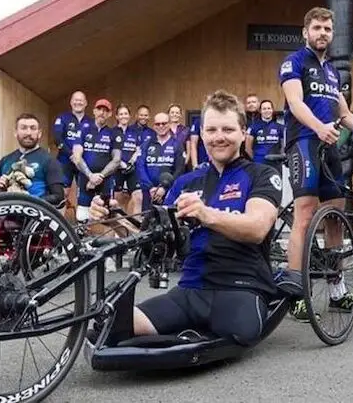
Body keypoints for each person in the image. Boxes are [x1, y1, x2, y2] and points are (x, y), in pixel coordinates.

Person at [89, 89, 282, 346]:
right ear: (201, 134)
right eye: (211, 130)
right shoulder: (185, 183)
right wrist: (114, 217)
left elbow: (257, 228)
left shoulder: (262, 175)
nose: (219, 137)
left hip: (241, 286)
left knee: (238, 331)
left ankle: (184, 335)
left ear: (243, 132)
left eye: (228, 129)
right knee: (107, 329)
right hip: (190, 290)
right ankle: (184, 334)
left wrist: (205, 214)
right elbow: (151, 239)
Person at [279, 6, 353, 321]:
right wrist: (318, 126)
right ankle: (297, 295)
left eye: (327, 29)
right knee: (304, 216)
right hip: (304, 141)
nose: (322, 33)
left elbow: (345, 116)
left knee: (335, 217)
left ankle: (337, 292)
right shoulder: (294, 61)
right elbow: (295, 102)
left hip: (330, 143)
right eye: (317, 27)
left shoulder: (332, 71)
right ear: (305, 31)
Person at [0, 113, 65, 208]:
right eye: (23, 128)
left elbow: (59, 198)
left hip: (35, 219)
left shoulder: (49, 161)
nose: (28, 132)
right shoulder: (5, 161)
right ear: (15, 132)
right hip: (5, 217)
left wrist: (28, 200)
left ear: (39, 134)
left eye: (33, 128)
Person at [71, 98, 122, 224]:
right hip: (85, 179)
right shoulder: (83, 129)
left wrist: (100, 177)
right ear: (94, 111)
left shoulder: (114, 133)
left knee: (105, 216)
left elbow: (116, 160)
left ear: (110, 114)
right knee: (82, 216)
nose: (102, 113)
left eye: (106, 110)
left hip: (106, 180)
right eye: (99, 109)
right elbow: (76, 156)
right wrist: (90, 176)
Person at [137, 112, 186, 211]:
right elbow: (140, 167)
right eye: (157, 124)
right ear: (154, 126)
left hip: (169, 193)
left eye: (164, 123)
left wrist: (164, 189)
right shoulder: (146, 144)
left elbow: (180, 170)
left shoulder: (177, 145)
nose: (161, 126)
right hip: (149, 193)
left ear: (169, 124)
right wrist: (151, 188)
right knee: (147, 223)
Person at [52, 91, 93, 209]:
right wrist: (72, 155)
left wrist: (80, 158)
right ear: (71, 102)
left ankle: (83, 225)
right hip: (65, 161)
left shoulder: (90, 122)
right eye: (75, 100)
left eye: (81, 100)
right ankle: (57, 224)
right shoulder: (63, 118)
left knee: (85, 194)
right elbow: (57, 138)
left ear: (85, 103)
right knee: (62, 193)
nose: (78, 102)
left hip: (84, 162)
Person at [113, 104, 144, 215]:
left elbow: (138, 149)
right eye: (121, 114)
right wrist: (121, 164)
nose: (123, 116)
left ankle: (136, 229)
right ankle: (120, 230)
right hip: (117, 169)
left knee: (138, 197)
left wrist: (131, 162)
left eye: (126, 114)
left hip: (132, 169)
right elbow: (110, 151)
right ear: (116, 116)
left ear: (129, 116)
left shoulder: (135, 131)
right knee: (118, 200)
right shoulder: (113, 131)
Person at [246, 99, 285, 172]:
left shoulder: (280, 127)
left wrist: (280, 156)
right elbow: (247, 148)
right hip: (259, 162)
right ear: (260, 111)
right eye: (264, 109)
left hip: (275, 163)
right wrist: (256, 159)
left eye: (269, 108)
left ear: (272, 110)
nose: (267, 111)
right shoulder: (253, 127)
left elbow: (283, 145)